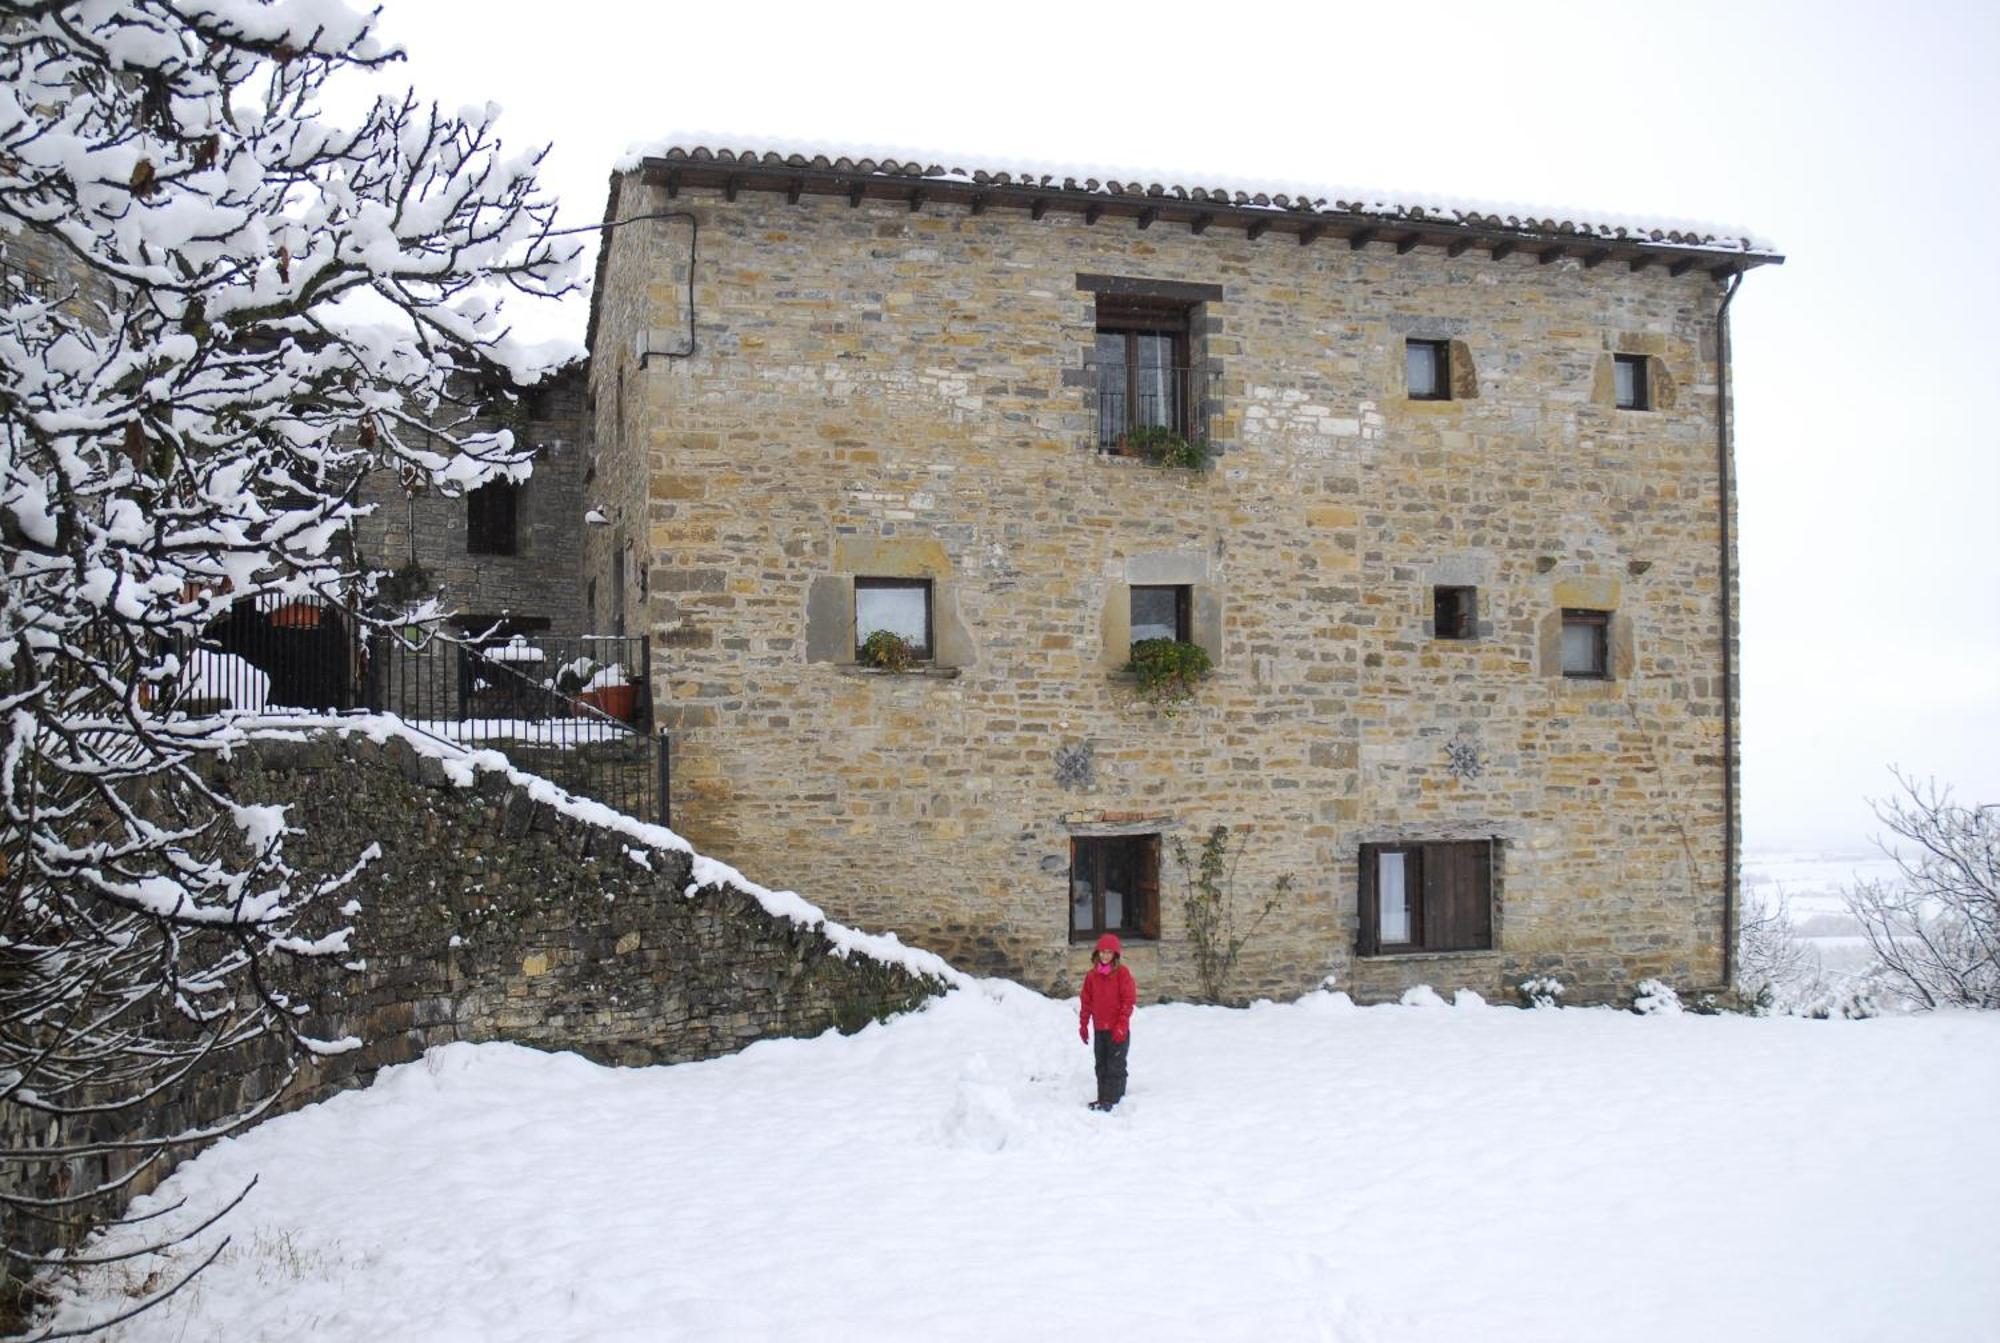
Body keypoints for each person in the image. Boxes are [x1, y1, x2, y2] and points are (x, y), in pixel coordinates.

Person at [1078, 932, 1137, 1111]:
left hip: (1117, 1029)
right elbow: (1086, 1001)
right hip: (1100, 1028)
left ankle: (1114, 1100)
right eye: (1102, 952)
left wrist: (1122, 1024)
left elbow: (1128, 1000)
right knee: (1101, 1064)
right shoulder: (1091, 976)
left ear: (1115, 955)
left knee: (1115, 1065)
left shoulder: (1122, 974)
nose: (1105, 956)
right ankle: (1103, 1097)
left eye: (1109, 952)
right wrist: (1083, 1024)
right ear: (1097, 953)